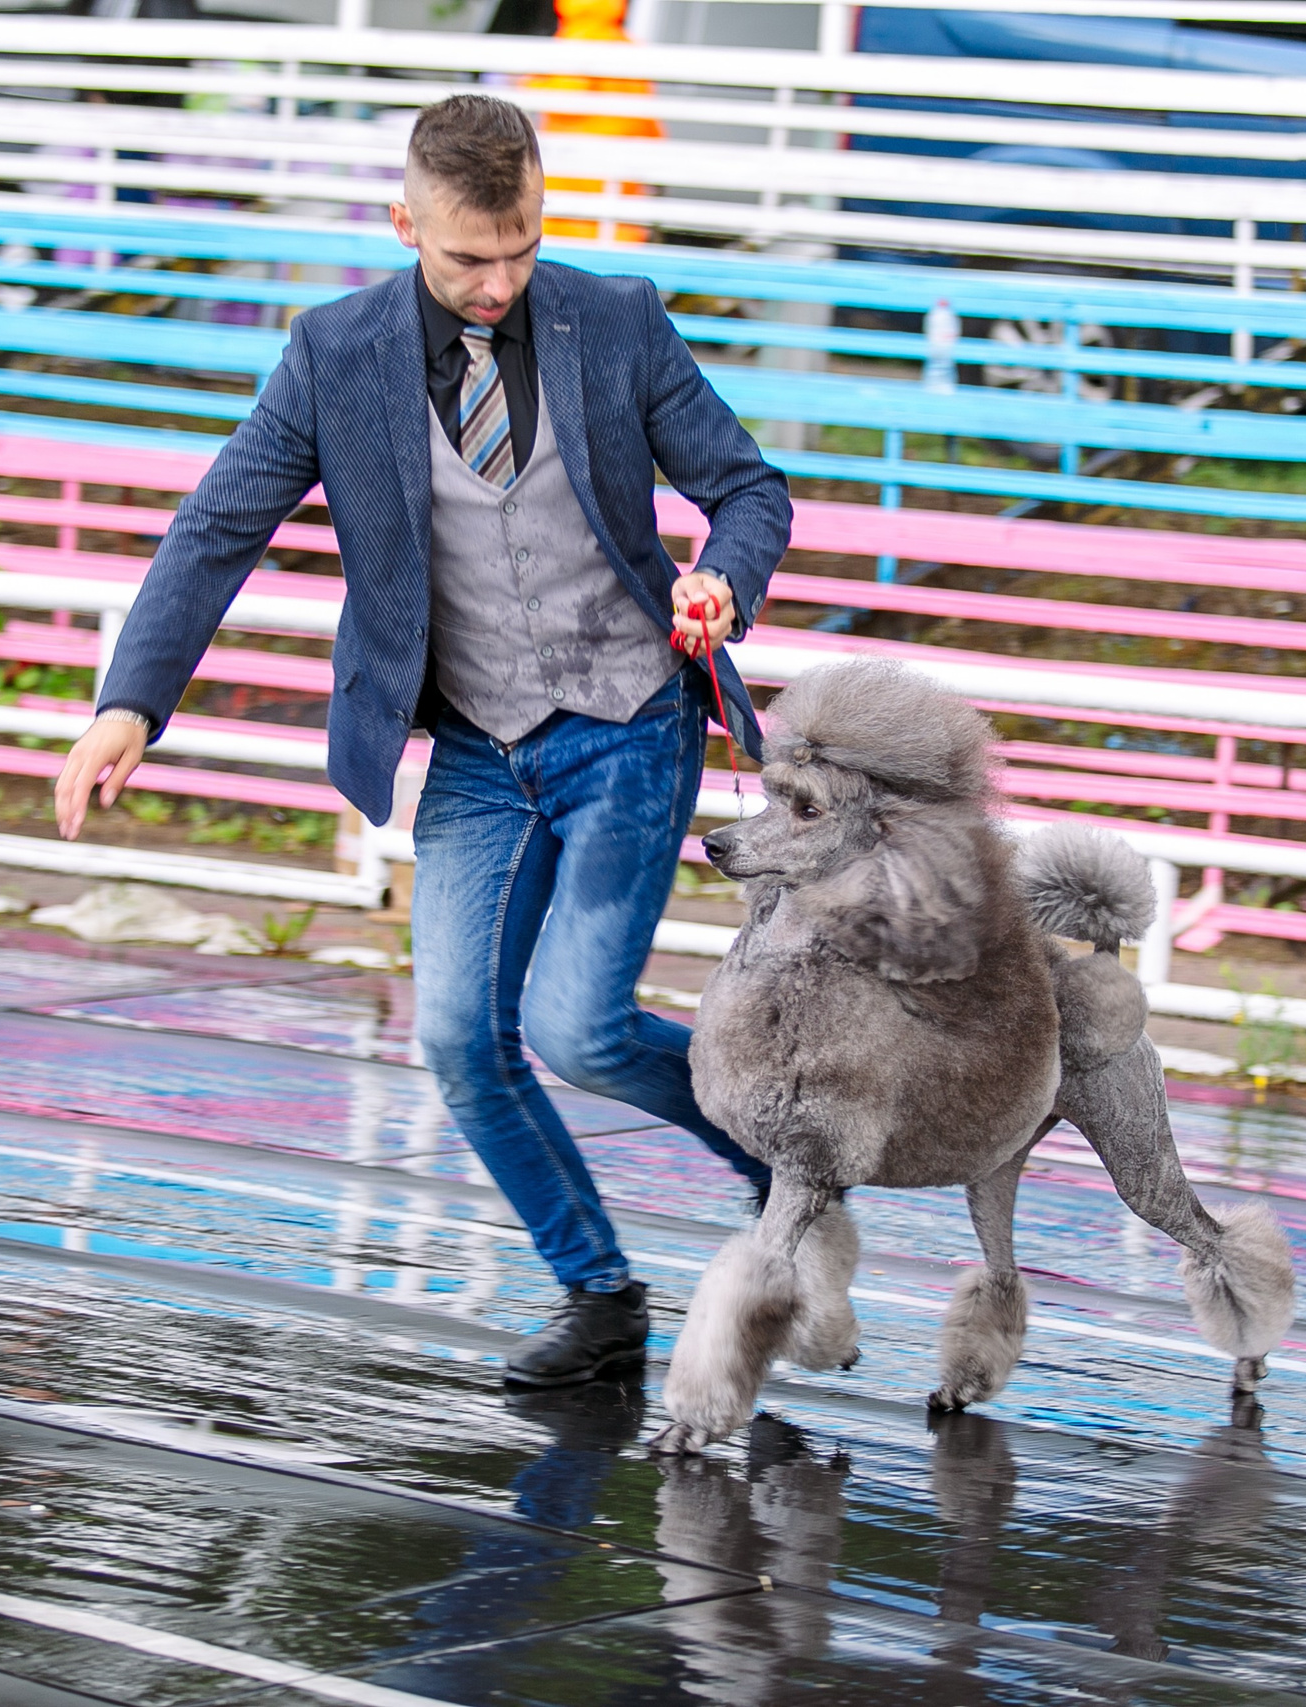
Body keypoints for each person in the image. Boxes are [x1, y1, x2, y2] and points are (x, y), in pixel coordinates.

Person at [55, 93, 791, 1387]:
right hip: (475, 748)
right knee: (460, 1038)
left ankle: (785, 1176)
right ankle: (599, 1295)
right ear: (406, 225)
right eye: (466, 258)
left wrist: (725, 574)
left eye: (519, 250)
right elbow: (219, 524)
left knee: (580, 1029)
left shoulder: (613, 322)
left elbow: (745, 486)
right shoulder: (332, 352)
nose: (498, 283)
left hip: (629, 721)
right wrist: (131, 700)